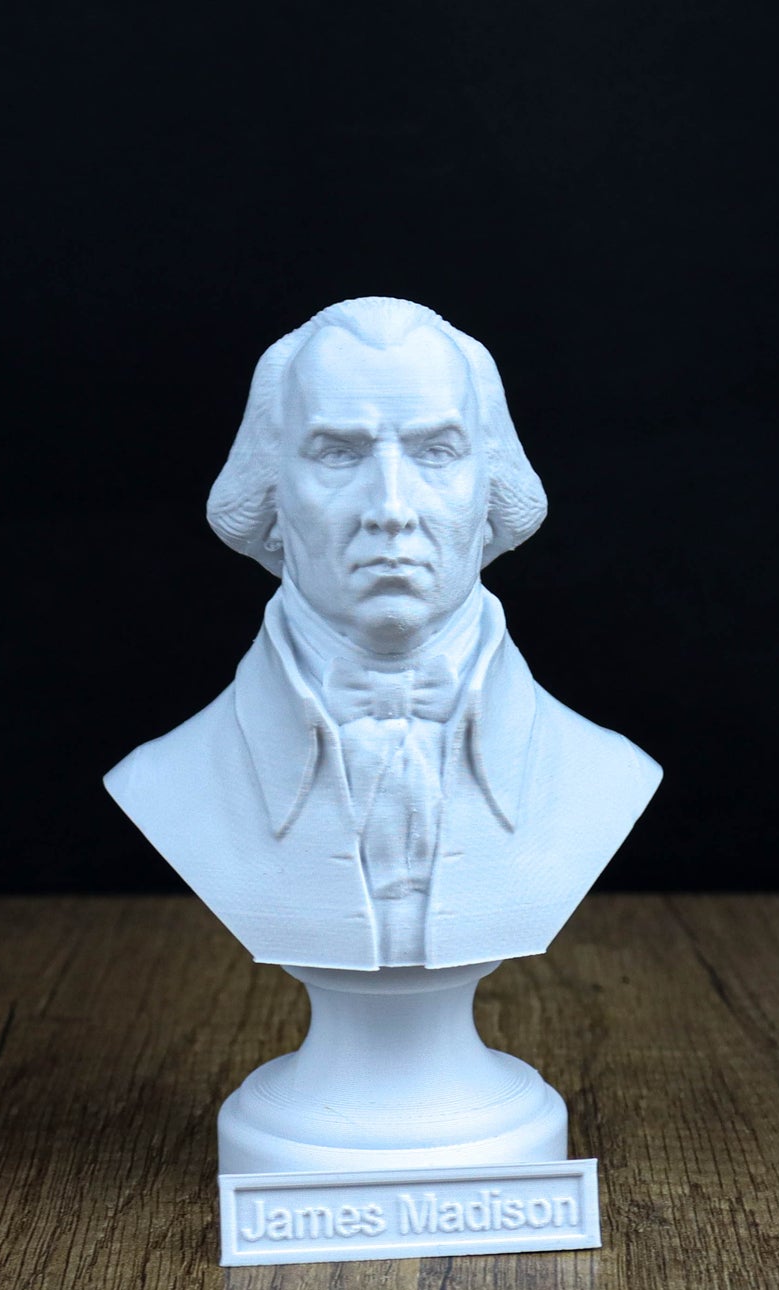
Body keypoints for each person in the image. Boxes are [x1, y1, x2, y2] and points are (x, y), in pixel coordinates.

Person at [105, 297, 661, 970]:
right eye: (338, 454)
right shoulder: (166, 781)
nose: (391, 508)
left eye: (437, 452)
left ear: (490, 497)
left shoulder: (605, 775)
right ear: (272, 498)